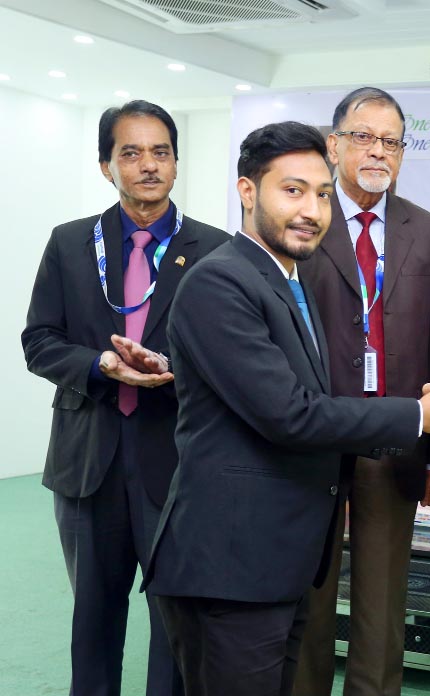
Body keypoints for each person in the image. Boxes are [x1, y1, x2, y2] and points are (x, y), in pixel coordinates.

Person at [142, 121, 430, 696]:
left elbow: (312, 404)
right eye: (291, 190)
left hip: (282, 560)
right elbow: (292, 415)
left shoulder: (285, 281)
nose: (312, 210)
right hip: (232, 565)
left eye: (322, 194)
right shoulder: (220, 282)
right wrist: (417, 418)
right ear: (248, 191)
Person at [22, 100, 229, 696]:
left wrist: (175, 370)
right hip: (90, 463)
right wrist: (100, 364)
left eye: (160, 151)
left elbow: (230, 356)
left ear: (176, 162)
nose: (147, 165)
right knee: (94, 619)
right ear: (105, 165)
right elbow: (39, 341)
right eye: (130, 153)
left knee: (175, 625)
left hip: (179, 461)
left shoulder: (214, 249)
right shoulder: (69, 244)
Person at [294, 87, 430, 696]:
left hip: (396, 440)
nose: (378, 151)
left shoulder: (429, 230)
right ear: (333, 144)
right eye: (363, 136)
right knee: (310, 602)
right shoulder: (303, 218)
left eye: (391, 141)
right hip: (314, 441)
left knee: (382, 613)